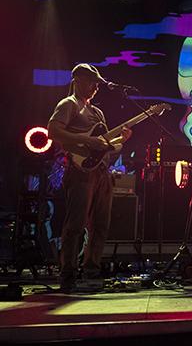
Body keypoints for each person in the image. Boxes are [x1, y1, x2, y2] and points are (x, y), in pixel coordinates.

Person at [47, 63, 132, 291]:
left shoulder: (97, 112)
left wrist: (121, 141)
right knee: (76, 224)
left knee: (101, 225)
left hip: (101, 173)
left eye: (98, 83)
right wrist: (87, 141)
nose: (96, 87)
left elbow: (103, 147)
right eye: (93, 82)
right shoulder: (68, 105)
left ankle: (92, 270)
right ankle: (68, 274)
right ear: (78, 81)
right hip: (79, 173)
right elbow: (52, 132)